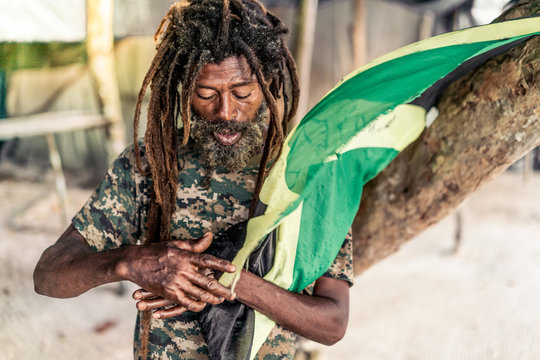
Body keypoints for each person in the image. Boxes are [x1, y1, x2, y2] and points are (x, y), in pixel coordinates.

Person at [33, 0, 353, 359]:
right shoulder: (151, 163)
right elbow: (48, 275)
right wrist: (130, 262)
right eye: (206, 93)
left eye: (242, 92)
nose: (226, 112)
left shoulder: (306, 174)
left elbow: (332, 323)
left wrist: (229, 280)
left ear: (269, 82)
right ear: (184, 87)